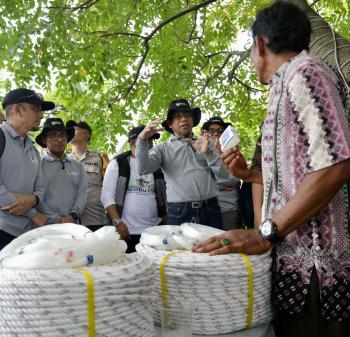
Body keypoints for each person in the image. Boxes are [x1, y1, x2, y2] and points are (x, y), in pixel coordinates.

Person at [194, 3, 350, 337]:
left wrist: (263, 232)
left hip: (318, 272)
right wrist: (250, 176)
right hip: (291, 267)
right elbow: (302, 174)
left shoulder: (307, 71)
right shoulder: (283, 85)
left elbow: (335, 165)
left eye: (251, 48)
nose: (252, 58)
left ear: (261, 44)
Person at [136, 99, 231, 229]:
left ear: (193, 120)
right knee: (180, 250)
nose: (183, 119)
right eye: (177, 116)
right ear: (170, 124)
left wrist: (208, 153)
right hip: (180, 212)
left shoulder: (208, 143)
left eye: (187, 114)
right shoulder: (162, 149)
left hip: (211, 209)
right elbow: (143, 169)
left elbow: (226, 178)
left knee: (214, 249)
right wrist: (142, 140)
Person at [0, 88, 53, 249]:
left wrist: (34, 200)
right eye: (35, 109)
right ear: (17, 109)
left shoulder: (34, 150)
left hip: (25, 237)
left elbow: (40, 188)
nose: (41, 115)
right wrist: (32, 213)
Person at [101, 125, 166, 253]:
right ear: (133, 142)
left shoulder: (157, 164)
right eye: (146, 139)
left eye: (151, 140)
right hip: (126, 231)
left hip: (154, 231)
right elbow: (107, 196)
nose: (150, 143)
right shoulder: (118, 163)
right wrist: (117, 222)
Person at [35, 118, 88, 224]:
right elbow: (36, 198)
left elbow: (82, 194)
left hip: (73, 225)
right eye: (54, 135)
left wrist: (73, 215)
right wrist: (56, 219)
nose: (59, 140)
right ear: (45, 140)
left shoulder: (78, 167)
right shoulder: (37, 166)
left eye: (62, 135)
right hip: (46, 226)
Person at [67, 120, 109, 230]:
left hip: (94, 216)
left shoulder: (100, 158)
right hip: (69, 218)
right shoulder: (63, 160)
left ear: (87, 135)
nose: (70, 132)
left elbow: (109, 187)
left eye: (75, 130)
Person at [201, 116, 241, 230]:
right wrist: (217, 186)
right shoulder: (200, 151)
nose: (216, 133)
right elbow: (196, 181)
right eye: (212, 130)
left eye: (220, 130)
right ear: (205, 133)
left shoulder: (232, 150)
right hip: (205, 210)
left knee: (229, 245)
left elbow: (235, 179)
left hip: (228, 209)